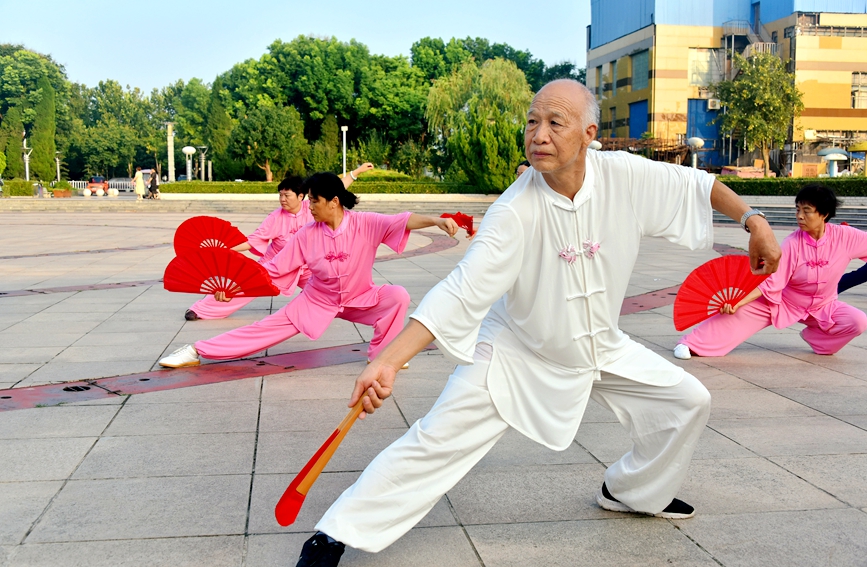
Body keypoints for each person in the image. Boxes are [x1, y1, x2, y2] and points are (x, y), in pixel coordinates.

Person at [292, 79, 781, 567]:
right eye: (531, 121)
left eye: (554, 122)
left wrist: (755, 222)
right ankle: (335, 533)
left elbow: (698, 185)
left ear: (589, 132)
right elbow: (461, 290)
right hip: (516, 350)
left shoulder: (626, 176)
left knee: (688, 400)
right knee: (436, 438)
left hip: (601, 346)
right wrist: (389, 361)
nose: (538, 134)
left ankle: (631, 491)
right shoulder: (513, 210)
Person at [158, 172, 461, 369]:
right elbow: (272, 270)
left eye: (314, 201)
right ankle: (197, 350)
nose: (309, 207)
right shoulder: (306, 234)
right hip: (316, 301)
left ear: (334, 202)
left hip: (360, 298)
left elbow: (404, 220)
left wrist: (436, 220)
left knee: (397, 296)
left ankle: (382, 357)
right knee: (261, 331)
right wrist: (235, 289)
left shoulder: (366, 223)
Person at [675, 183, 867, 360]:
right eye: (797, 210)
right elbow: (772, 281)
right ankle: (692, 344)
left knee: (858, 321)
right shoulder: (792, 243)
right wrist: (737, 302)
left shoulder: (845, 237)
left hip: (824, 306)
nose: (799, 216)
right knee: (738, 313)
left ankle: (819, 341)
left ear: (824, 214)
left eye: (806, 211)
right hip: (784, 301)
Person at [184, 164, 375, 321]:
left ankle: (352, 310)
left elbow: (338, 187)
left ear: (301, 196)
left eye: (287, 195)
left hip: (306, 267)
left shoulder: (314, 207)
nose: (282, 200)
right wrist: (223, 250)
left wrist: (356, 172)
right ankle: (201, 309)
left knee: (333, 288)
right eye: (280, 195)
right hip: (276, 265)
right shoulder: (275, 218)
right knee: (243, 283)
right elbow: (253, 241)